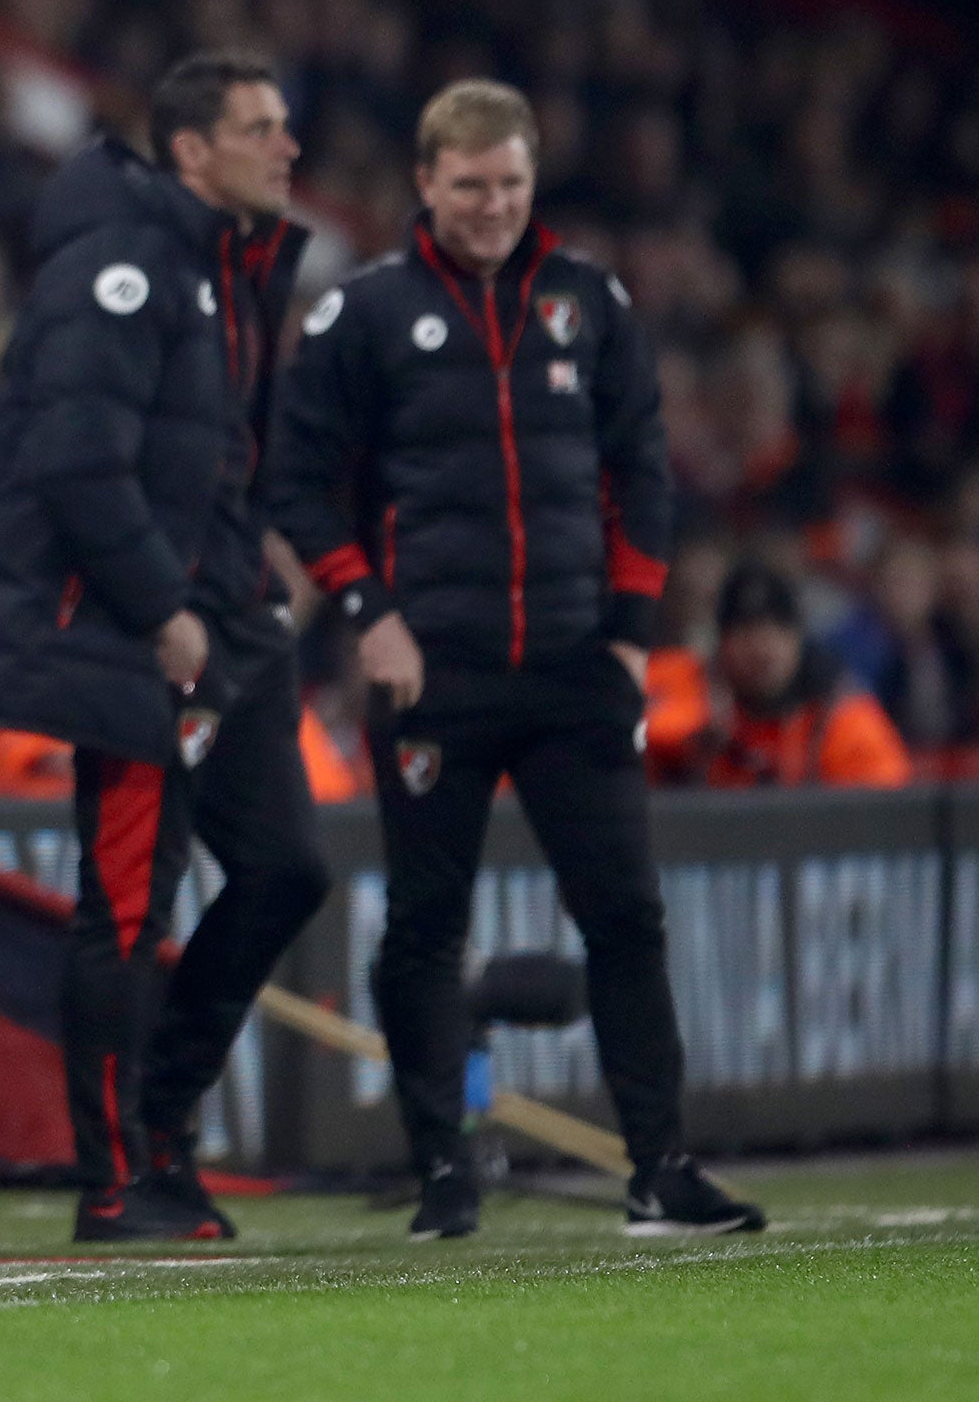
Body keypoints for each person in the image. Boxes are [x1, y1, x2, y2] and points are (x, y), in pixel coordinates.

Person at [268, 79, 766, 1240]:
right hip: (426, 671)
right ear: (424, 184)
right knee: (425, 928)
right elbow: (293, 482)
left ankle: (659, 1170)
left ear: (530, 182)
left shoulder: (586, 302)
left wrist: (634, 638)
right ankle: (442, 1172)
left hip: (574, 667)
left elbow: (643, 471)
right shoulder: (364, 315)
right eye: (468, 185)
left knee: (626, 918)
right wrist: (366, 612)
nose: (491, 205)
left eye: (509, 184)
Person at [0, 52, 330, 1242]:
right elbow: (75, 459)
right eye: (260, 128)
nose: (286, 148)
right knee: (123, 908)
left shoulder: (225, 271)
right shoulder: (120, 267)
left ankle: (161, 1130)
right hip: (130, 636)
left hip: (222, 622)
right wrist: (163, 605)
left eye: (284, 125)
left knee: (284, 872)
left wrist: (251, 554)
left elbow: (197, 453)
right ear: (189, 149)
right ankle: (115, 1183)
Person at [660, 561, 912, 788]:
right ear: (721, 643)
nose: (761, 647)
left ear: (799, 638)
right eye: (745, 631)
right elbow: (644, 732)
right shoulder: (696, 691)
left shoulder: (842, 715)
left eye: (777, 629)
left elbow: (886, 813)